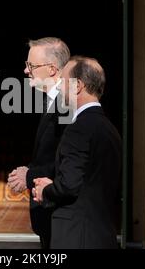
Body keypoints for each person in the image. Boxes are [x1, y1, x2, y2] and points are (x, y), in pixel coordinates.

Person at [33, 56, 122, 249]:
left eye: (63, 81)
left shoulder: (79, 128)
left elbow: (69, 185)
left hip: (76, 237)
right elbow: (88, 181)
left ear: (77, 86)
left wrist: (45, 190)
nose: (59, 88)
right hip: (103, 235)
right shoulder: (109, 129)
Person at [7, 37, 70, 249]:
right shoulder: (51, 99)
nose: (26, 71)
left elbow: (68, 160)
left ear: (52, 69)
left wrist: (29, 175)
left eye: (31, 66)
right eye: (27, 65)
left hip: (59, 212)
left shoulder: (67, 104)